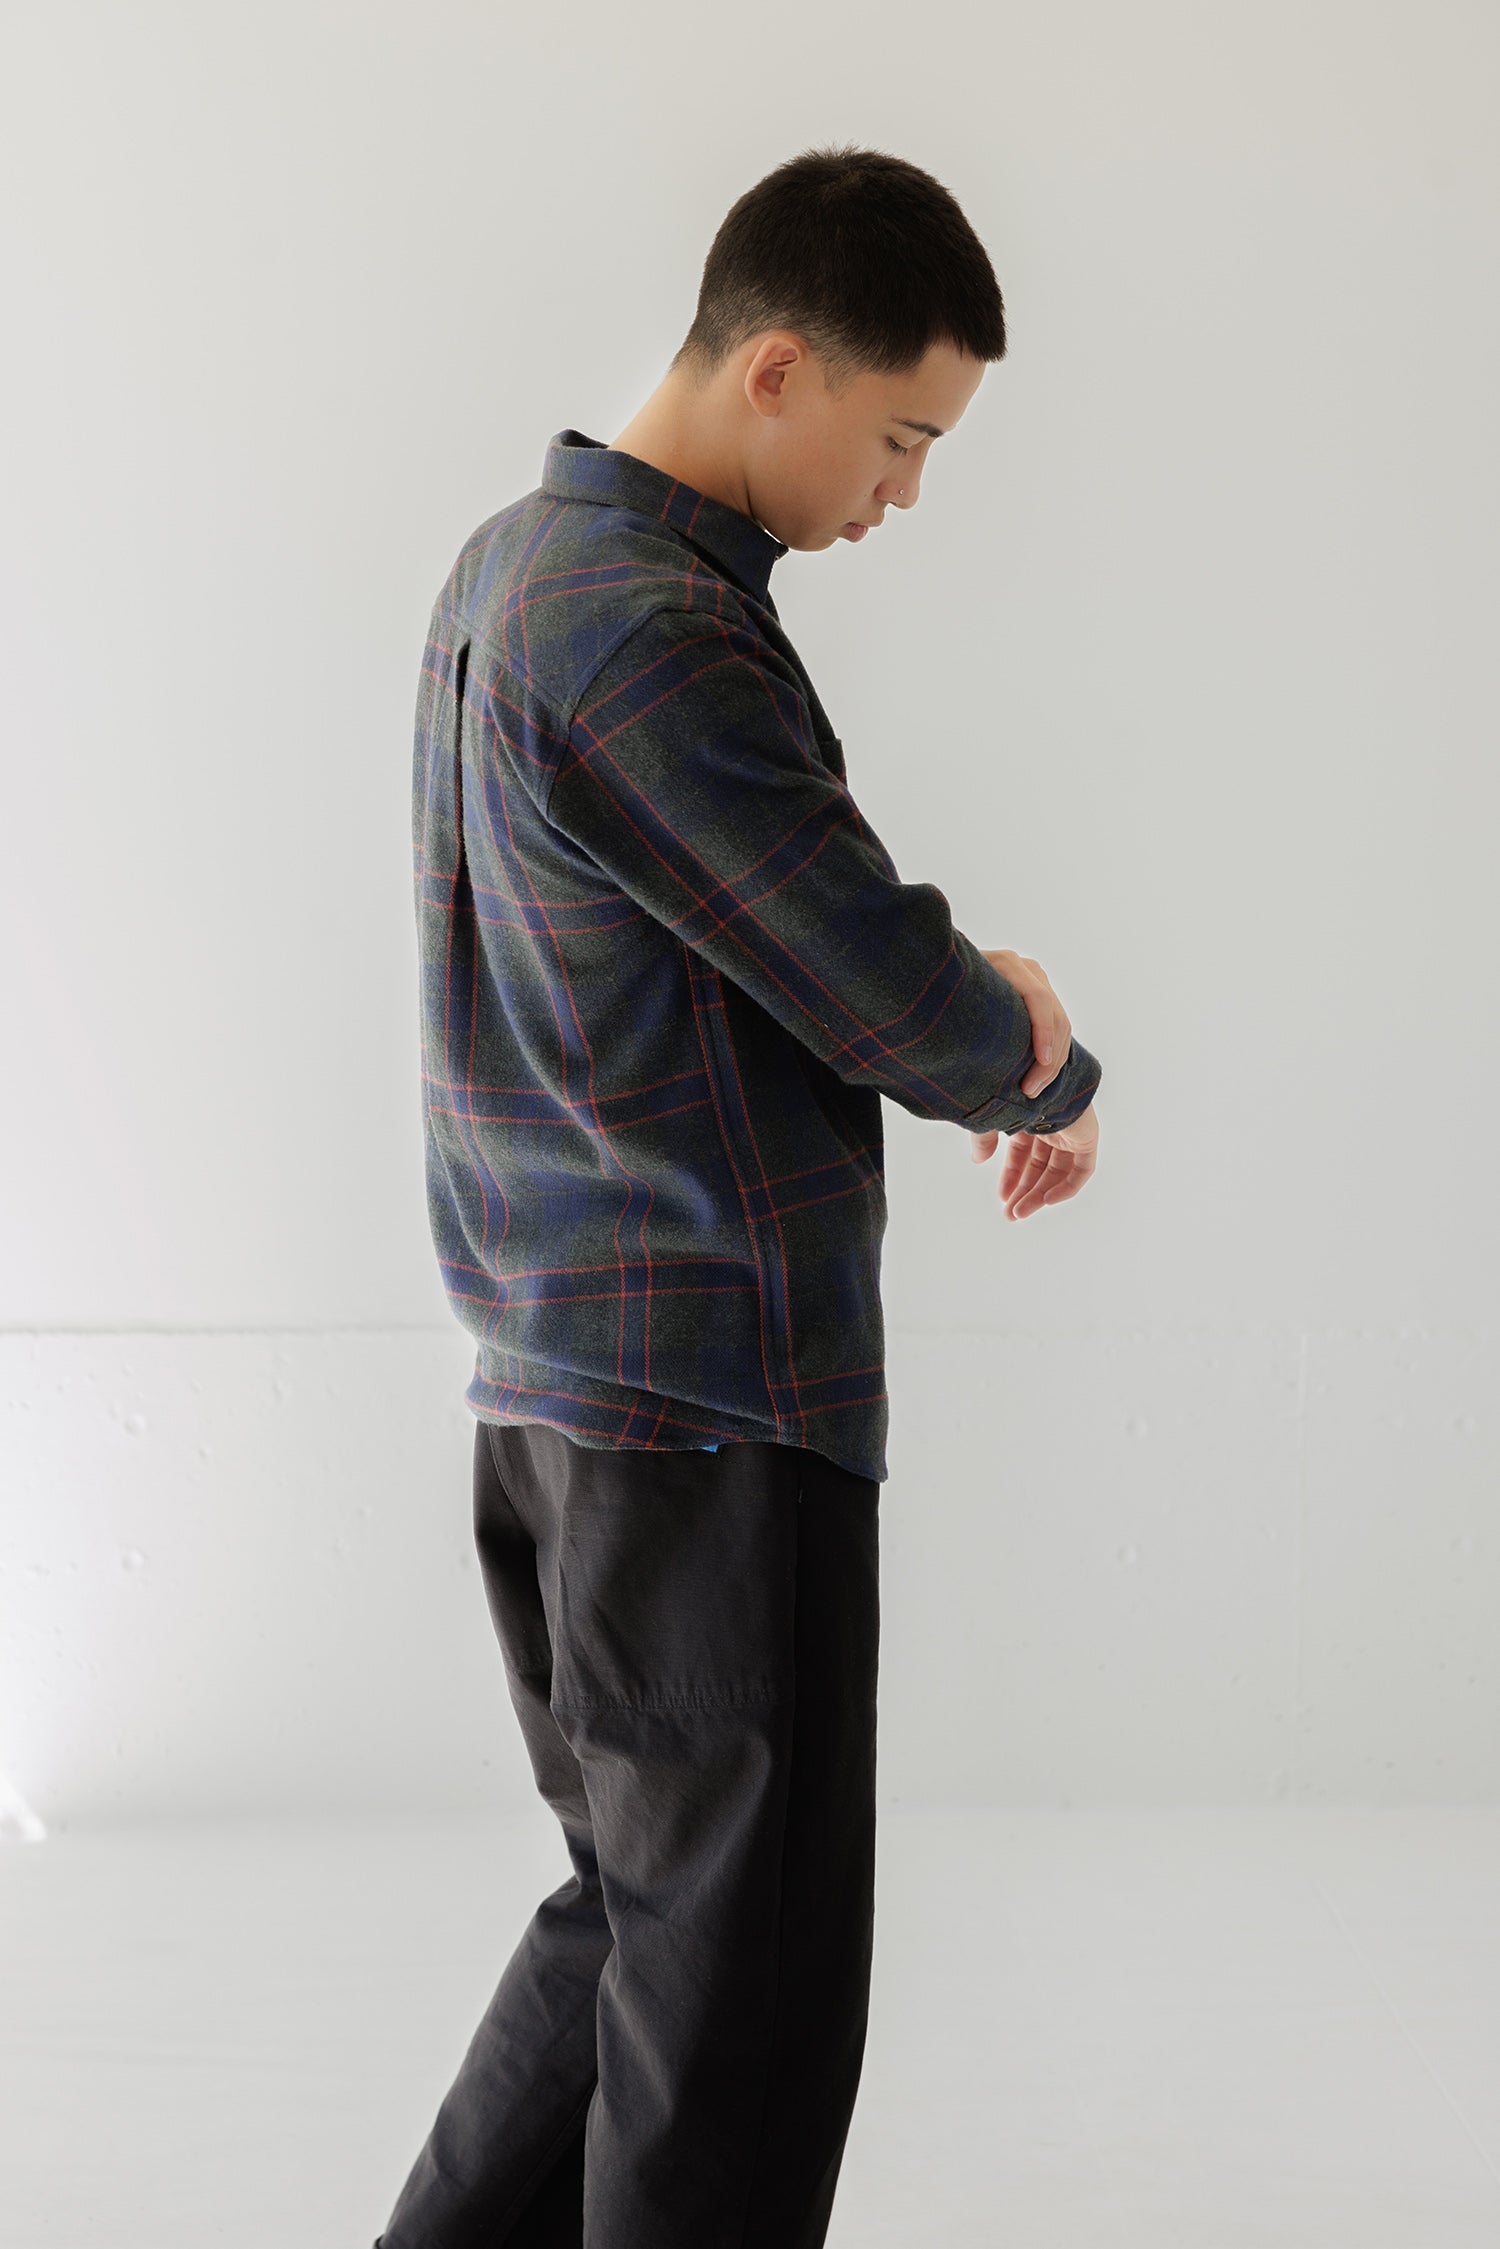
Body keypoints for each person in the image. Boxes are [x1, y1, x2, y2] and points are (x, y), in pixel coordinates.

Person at [376, 140, 1102, 2249]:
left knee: (640, 1924)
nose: (904, 495)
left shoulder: (514, 572)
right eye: (900, 437)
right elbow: (877, 979)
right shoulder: (643, 632)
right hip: (703, 1410)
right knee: (738, 2002)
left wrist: (967, 1006)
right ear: (776, 367)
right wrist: (1037, 1043)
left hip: (569, 1396)